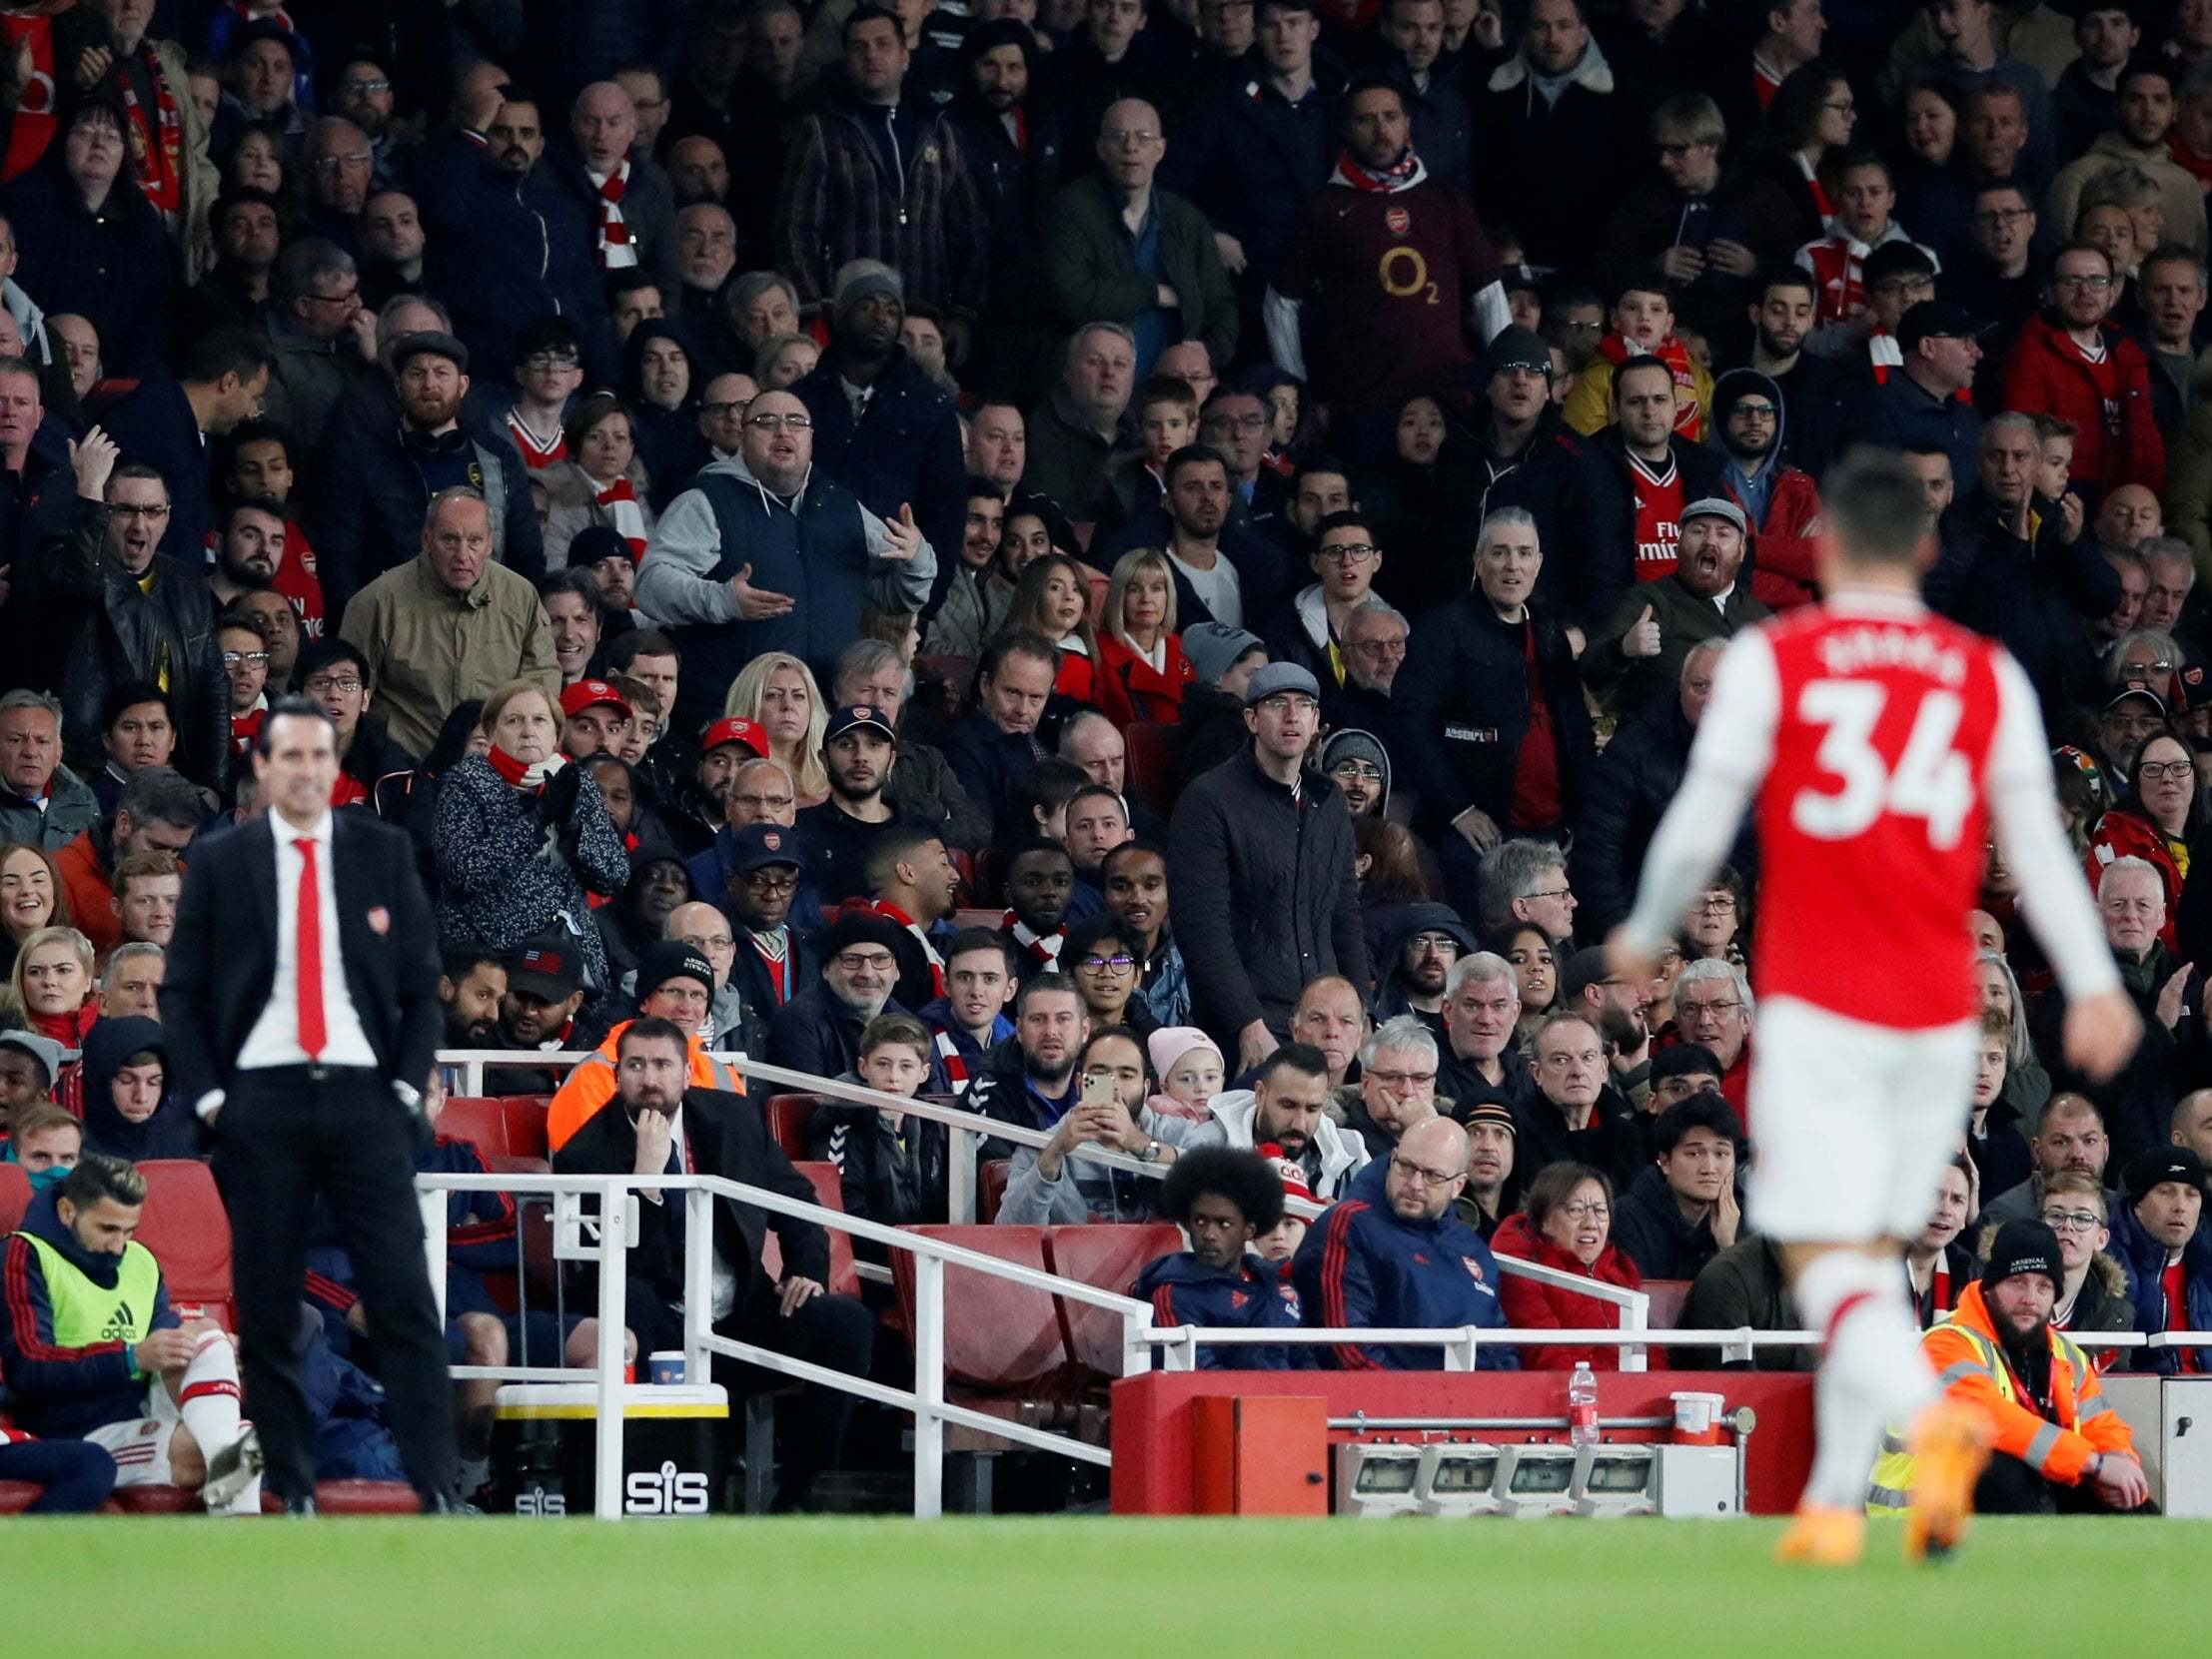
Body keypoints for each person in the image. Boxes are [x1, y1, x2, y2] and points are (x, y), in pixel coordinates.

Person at [1605, 448, 2137, 1565]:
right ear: (1929, 548)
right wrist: (2091, 981)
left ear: (1828, 547)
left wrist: (1645, 924)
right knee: (1880, 1254)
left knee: (1829, 1255)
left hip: (1817, 1004)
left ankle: (1921, 1426)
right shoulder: (1979, 667)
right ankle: (1842, 1497)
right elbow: (2037, 841)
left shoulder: (1777, 655)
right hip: (1941, 1011)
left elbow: (1706, 814)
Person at [161, 699, 460, 1512]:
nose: (304, 770)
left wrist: (404, 1086)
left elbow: (419, 990)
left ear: (336, 767)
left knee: (402, 1296)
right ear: (262, 768)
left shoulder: (383, 849)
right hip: (263, 1096)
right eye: (287, 756)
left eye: (318, 755)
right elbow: (181, 993)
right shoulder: (223, 861)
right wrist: (218, 1099)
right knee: (267, 1304)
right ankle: (289, 1489)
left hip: (364, 1094)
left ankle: (439, 1486)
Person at [553, 1017, 873, 1511]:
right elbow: (616, 1271)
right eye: (635, 1066)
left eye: (663, 1065)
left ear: (687, 1073)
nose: (650, 1079)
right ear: (617, 1076)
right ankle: (658, 1497)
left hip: (742, 1313)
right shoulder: (585, 1152)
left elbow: (797, 1200)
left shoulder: (733, 1118)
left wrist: (805, 1268)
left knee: (845, 1324)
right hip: (657, 1321)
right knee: (629, 1302)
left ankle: (797, 1498)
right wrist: (646, 1180)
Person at [635, 388, 933, 739]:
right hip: (730, 719)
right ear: (743, 436)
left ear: (810, 438)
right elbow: (650, 586)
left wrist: (917, 557)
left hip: (822, 721)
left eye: (796, 422)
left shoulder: (841, 505)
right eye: (766, 422)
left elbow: (899, 596)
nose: (783, 431)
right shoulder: (706, 501)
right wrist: (722, 599)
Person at [0, 1155, 263, 1513]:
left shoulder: (141, 1261)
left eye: (129, 1231)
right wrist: (129, 1357)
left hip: (143, 1409)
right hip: (71, 1427)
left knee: (208, 1338)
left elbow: (162, 1346)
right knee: (236, 1447)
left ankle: (227, 1472)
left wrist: (186, 1346)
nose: (118, 1246)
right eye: (107, 1229)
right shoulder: (26, 1253)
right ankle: (238, 1531)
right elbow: (28, 1368)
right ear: (66, 1211)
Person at [1867, 1221, 2149, 1516]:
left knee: (2129, 1498)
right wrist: (2094, 1464)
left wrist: (2119, 1461)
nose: (2030, 1298)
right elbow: (1992, 1420)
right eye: (2017, 1282)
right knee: (2001, 1469)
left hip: (2012, 1502)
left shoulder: (2067, 1355)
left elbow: (2101, 1424)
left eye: (2043, 1286)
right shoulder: (1946, 1342)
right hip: (1919, 1519)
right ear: (1990, 1288)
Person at [1395, 509, 1593, 922]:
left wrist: (1579, 818)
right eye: (1499, 553)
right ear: (1478, 561)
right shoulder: (1443, 629)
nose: (1512, 565)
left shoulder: (1550, 629)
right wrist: (1458, 808)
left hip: (1555, 836)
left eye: (1524, 553)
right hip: (1479, 838)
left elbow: (1574, 727)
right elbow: (1410, 722)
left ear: (1539, 563)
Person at [1267, 79, 1504, 423]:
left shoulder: (1444, 200)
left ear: (1407, 122)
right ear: (1347, 130)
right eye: (1366, 120)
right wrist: (1297, 393)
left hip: (1446, 397)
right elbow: (1280, 302)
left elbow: (1489, 292)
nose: (1381, 130)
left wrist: (1502, 375)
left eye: (1390, 117)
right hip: (1361, 404)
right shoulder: (1325, 206)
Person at [1168, 660, 1366, 1069]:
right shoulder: (1209, 799)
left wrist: (1360, 1013)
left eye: (1304, 705)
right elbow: (1202, 927)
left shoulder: (1328, 799)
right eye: (1277, 704)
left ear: (1316, 721)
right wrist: (1246, 1023)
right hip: (1251, 1016)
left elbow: (1345, 914)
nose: (1292, 716)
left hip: (1324, 1015)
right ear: (1251, 719)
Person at [433, 678, 629, 994]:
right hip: (487, 957)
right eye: (514, 721)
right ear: (493, 731)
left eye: (539, 720)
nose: (528, 730)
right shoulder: (465, 782)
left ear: (555, 734)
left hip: (564, 953)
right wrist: (537, 819)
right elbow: (463, 871)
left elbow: (614, 876)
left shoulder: (576, 782)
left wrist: (574, 831)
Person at [339, 487, 561, 761]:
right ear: (427, 539)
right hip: (403, 769)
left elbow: (541, 686)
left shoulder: (521, 597)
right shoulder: (377, 602)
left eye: (475, 541)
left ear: (490, 544)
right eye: (450, 540)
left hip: (497, 769)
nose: (462, 554)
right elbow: (349, 693)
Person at [53, 457, 229, 790]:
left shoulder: (188, 584)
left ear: (167, 517)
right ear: (104, 515)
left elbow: (214, 687)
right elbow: (85, 583)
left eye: (152, 511)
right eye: (124, 510)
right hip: (89, 771)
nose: (139, 524)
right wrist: (89, 496)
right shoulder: (67, 567)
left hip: (171, 775)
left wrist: (214, 784)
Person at [1290, 1116, 1517, 1369]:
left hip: (1469, 1402)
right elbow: (1344, 1345)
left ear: (1458, 1185)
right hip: (1386, 1403)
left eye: (1433, 1176)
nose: (1415, 1185)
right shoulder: (1351, 1225)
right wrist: (1417, 1403)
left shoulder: (1473, 1248)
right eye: (1406, 1167)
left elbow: (1500, 1346)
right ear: (1393, 1158)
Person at [1041, 98, 1238, 382]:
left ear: (1160, 149)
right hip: (1096, 388)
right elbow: (1070, 295)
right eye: (1118, 137)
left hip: (1171, 400)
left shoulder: (1185, 218)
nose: (1130, 147)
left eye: (1143, 138)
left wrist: (1209, 351)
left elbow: (1222, 305)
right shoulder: (1072, 209)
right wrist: (1153, 293)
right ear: (1101, 149)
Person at [1587, 498, 1773, 721]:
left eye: (1723, 534)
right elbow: (1590, 668)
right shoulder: (1649, 601)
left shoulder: (1761, 618)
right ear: (1678, 544)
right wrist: (1622, 649)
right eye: (1698, 532)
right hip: (1661, 744)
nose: (1710, 542)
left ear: (1742, 551)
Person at [1135, 1147, 1299, 1367]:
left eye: (1224, 1224)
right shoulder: (1174, 1293)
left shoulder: (1279, 1288)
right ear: (1187, 1223)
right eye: (1200, 1221)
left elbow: (1307, 1362)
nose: (1210, 1235)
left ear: (1248, 1231)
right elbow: (1192, 1372)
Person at [1494, 1160, 1645, 1370]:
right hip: (1569, 1394)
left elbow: (1649, 1352)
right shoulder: (1523, 1270)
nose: (1591, 1223)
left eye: (1600, 1211)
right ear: (1543, 1219)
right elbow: (1546, 1355)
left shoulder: (1619, 1269)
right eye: (1576, 1210)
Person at [806, 1011, 947, 1229]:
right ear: (864, 1067)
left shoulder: (934, 1124)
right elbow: (845, 1208)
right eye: (883, 1064)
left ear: (924, 1072)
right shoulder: (843, 1123)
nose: (894, 1076)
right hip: (872, 1255)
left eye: (906, 1066)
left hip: (927, 1250)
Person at [1612, 1091, 1744, 1280]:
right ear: (1665, 1162)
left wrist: (1727, 1245)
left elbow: (1749, 1305)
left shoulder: (1746, 1215)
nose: (1709, 1168)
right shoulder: (1627, 1217)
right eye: (1694, 1154)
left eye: (1721, 1154)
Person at [2105, 1146, 2212, 1376]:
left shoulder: (2206, 1266)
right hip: (2142, 1396)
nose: (2180, 1206)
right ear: (2139, 1204)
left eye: (2191, 1194)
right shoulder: (2108, 1263)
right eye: (2165, 1192)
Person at [0, 691, 100, 852]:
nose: (31, 752)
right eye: (16, 740)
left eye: (42, 741)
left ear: (58, 752)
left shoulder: (82, 801)